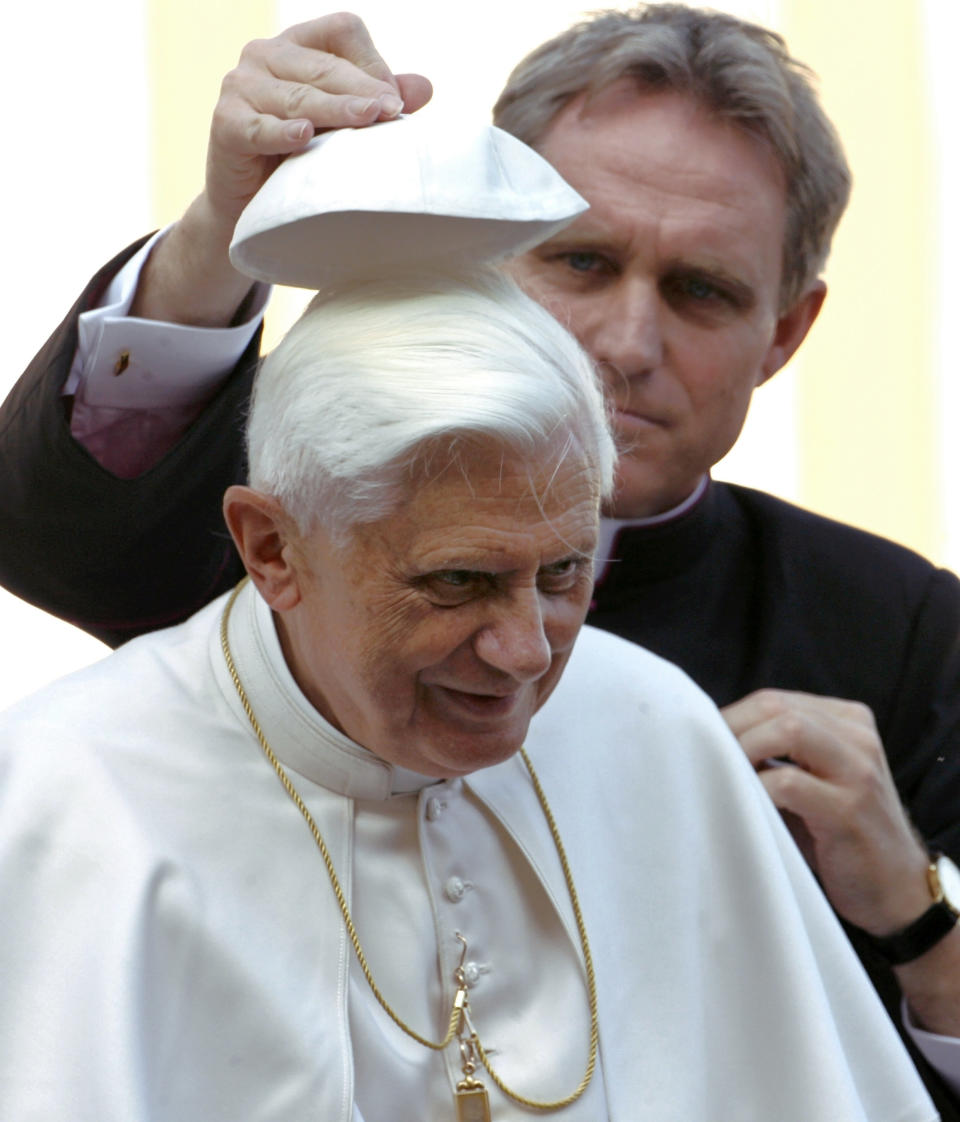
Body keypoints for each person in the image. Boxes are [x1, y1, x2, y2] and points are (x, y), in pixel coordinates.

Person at [1, 2, 959, 1111]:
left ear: (786, 331)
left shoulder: (867, 641)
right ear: (269, 551)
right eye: (583, 261)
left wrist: (922, 920)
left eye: (563, 575)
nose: (625, 346)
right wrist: (225, 227)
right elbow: (65, 535)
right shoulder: (95, 757)